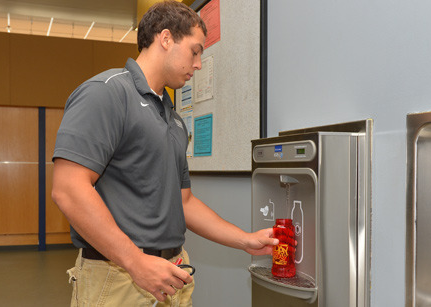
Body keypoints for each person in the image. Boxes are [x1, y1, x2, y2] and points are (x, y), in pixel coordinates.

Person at [51, 1, 278, 306]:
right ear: (166, 38)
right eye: (195, 51)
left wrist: (246, 240)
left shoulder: (173, 120)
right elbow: (68, 189)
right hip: (118, 276)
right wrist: (135, 261)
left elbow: (183, 202)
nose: (198, 64)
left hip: (173, 272)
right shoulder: (106, 93)